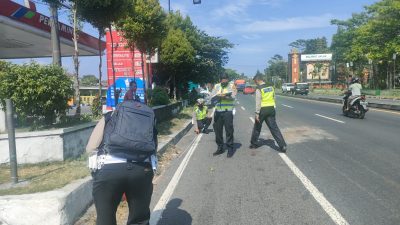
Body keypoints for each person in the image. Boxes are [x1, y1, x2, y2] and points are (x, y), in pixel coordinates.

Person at [86, 94, 157, 225]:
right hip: (141, 170)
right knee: (139, 219)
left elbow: (91, 148)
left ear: (122, 104)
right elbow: (153, 147)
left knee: (105, 218)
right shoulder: (147, 118)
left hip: (109, 170)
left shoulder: (110, 116)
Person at [249, 74, 287, 153]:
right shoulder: (271, 87)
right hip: (271, 109)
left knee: (257, 127)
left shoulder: (259, 89)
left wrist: (257, 113)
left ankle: (254, 144)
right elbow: (274, 98)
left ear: (257, 80)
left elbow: (258, 102)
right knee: (274, 128)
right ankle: (282, 145)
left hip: (262, 110)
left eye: (255, 81)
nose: (255, 83)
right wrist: (272, 107)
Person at [210, 74, 237, 158]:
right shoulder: (216, 86)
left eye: (225, 79)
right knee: (218, 131)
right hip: (218, 111)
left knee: (229, 131)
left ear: (228, 79)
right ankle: (220, 147)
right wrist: (217, 97)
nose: (224, 80)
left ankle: (230, 149)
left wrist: (225, 97)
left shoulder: (232, 86)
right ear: (220, 79)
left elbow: (233, 97)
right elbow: (212, 96)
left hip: (227, 112)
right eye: (222, 79)